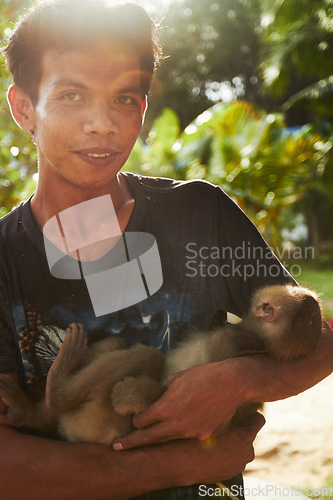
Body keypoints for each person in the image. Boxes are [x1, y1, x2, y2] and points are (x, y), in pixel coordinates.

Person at [0, 1, 332, 499]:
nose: (103, 123)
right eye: (72, 95)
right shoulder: (4, 262)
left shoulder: (201, 215)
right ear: (24, 106)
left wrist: (240, 380)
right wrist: (177, 464)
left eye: (125, 99)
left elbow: (319, 339)